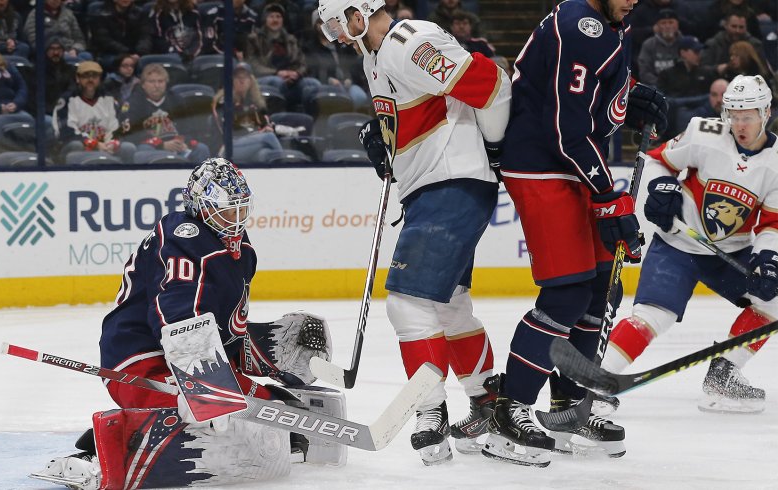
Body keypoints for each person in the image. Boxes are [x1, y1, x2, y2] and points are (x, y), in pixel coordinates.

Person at [32, 158, 335, 488]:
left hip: (194, 356)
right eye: (224, 211)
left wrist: (268, 360)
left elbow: (226, 326)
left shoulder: (241, 250)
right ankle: (99, 452)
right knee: (224, 420)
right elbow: (179, 314)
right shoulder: (183, 238)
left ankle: (239, 407)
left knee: (269, 405)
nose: (234, 220)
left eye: (239, 209)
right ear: (199, 207)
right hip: (140, 361)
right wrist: (204, 385)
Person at [318, 0, 511, 465]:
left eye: (335, 23)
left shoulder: (410, 43)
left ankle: (431, 412)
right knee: (449, 305)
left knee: (406, 302)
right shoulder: (374, 54)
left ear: (359, 11)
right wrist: (386, 137)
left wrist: (495, 149)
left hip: (451, 181)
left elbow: (493, 85)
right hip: (433, 185)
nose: (334, 35)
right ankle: (489, 404)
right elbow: (419, 110)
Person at [489, 0, 668, 467]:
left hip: (575, 165)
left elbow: (588, 100)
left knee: (600, 292)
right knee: (566, 294)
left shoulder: (612, 24)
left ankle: (566, 408)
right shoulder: (581, 28)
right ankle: (510, 412)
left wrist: (628, 96)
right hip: (543, 168)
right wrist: (609, 194)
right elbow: (566, 129)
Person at [601, 75, 777, 415]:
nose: (740, 124)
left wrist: (768, 257)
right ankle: (597, 381)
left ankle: (724, 374)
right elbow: (656, 160)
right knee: (654, 316)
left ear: (766, 112)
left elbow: (772, 222)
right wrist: (661, 188)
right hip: (677, 243)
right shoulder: (704, 133)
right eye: (734, 114)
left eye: (748, 115)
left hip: (730, 252)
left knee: (773, 302)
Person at [118, 63, 212, 162]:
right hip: (150, 145)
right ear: (143, 85)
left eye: (160, 81)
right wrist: (161, 144)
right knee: (144, 150)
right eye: (152, 81)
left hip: (177, 145)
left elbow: (188, 128)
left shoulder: (177, 100)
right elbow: (130, 133)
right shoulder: (133, 103)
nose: (157, 85)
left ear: (166, 83)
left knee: (202, 148)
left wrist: (182, 141)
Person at [52, 60, 136, 162]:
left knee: (128, 147)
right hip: (79, 144)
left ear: (100, 79)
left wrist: (112, 142)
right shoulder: (66, 100)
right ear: (77, 79)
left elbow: (118, 126)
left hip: (106, 145)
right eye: (86, 76)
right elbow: (64, 132)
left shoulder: (109, 99)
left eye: (95, 76)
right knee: (76, 145)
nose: (90, 79)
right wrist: (93, 144)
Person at [212, 62, 283, 161]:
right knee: (269, 138)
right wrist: (260, 133)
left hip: (252, 145)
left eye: (245, 77)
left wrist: (267, 128)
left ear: (250, 81)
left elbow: (265, 126)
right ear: (232, 80)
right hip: (228, 148)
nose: (242, 81)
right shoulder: (224, 101)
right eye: (238, 77)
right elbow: (226, 132)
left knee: (265, 154)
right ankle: (285, 163)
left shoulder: (255, 103)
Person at [23, 0, 89, 61]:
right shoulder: (35, 14)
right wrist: (52, 50)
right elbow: (32, 38)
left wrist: (75, 49)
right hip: (46, 51)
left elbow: (79, 39)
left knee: (86, 56)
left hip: (69, 50)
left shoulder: (68, 14)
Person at [636, 9, 682, 86]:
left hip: (682, 87)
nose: (667, 26)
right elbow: (644, 73)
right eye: (663, 23)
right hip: (657, 87)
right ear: (656, 26)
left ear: (677, 24)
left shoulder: (685, 43)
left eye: (671, 22)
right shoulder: (648, 44)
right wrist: (662, 84)